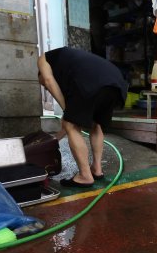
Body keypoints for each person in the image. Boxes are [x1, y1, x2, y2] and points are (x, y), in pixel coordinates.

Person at [37, 47, 127, 188]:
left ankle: (85, 176)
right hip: (115, 82)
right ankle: (97, 169)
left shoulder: (43, 59)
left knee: (70, 124)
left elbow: (48, 80)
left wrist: (67, 112)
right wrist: (55, 138)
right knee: (96, 124)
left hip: (91, 81)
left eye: (42, 85)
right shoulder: (70, 64)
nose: (46, 88)